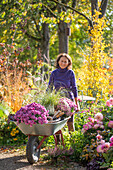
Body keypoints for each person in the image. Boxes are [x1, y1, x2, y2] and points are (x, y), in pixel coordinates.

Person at [47, 53, 80, 132]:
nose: (63, 63)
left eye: (65, 62)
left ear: (68, 63)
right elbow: (49, 88)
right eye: (62, 61)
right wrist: (47, 101)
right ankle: (58, 142)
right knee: (57, 122)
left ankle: (72, 141)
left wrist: (76, 103)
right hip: (57, 100)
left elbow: (74, 88)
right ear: (58, 62)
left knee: (70, 122)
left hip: (69, 100)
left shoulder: (70, 73)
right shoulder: (54, 73)